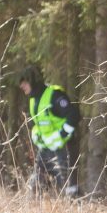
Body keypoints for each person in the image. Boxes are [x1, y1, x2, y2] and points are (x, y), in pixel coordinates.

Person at [19, 65, 81, 196]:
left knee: (69, 189)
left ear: (33, 81)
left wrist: (61, 135)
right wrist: (38, 136)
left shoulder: (54, 95)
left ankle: (77, 211)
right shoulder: (33, 99)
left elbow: (74, 115)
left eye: (24, 83)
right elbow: (39, 124)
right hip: (46, 148)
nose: (22, 86)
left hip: (64, 148)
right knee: (35, 187)